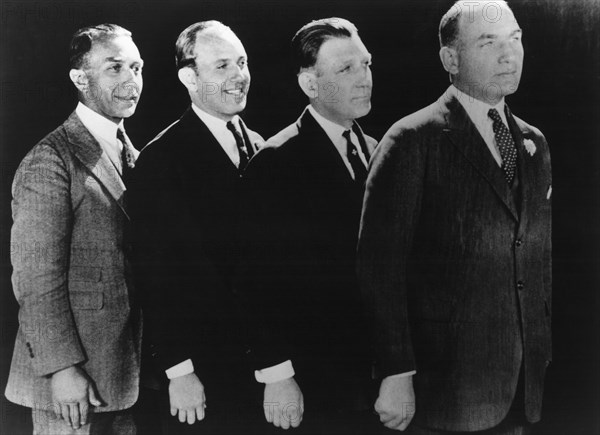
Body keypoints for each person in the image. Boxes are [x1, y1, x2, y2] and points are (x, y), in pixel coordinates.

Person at [357, 1, 552, 434]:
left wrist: (540, 349)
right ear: (450, 58)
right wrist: (395, 372)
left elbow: (535, 254)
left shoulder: (533, 142)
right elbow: (379, 268)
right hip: (445, 385)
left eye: (515, 39)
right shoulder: (411, 139)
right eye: (488, 42)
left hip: (523, 383)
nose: (509, 54)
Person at [5, 24, 144, 434]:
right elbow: (35, 277)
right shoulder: (49, 159)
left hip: (125, 376)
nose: (131, 81)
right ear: (80, 79)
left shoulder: (135, 154)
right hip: (70, 387)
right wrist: (61, 368)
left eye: (136, 68)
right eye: (115, 68)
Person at [242, 17, 378, 434]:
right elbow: (256, 281)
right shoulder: (277, 160)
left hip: (376, 374)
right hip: (313, 379)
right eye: (346, 69)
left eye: (366, 64)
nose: (364, 79)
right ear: (309, 84)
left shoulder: (378, 151)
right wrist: (277, 375)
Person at [128, 21, 265, 434]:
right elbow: (157, 275)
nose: (239, 77)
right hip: (202, 373)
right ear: (189, 77)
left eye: (241, 63)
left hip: (265, 367)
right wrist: (179, 371)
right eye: (222, 65)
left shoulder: (262, 146)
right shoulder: (161, 160)